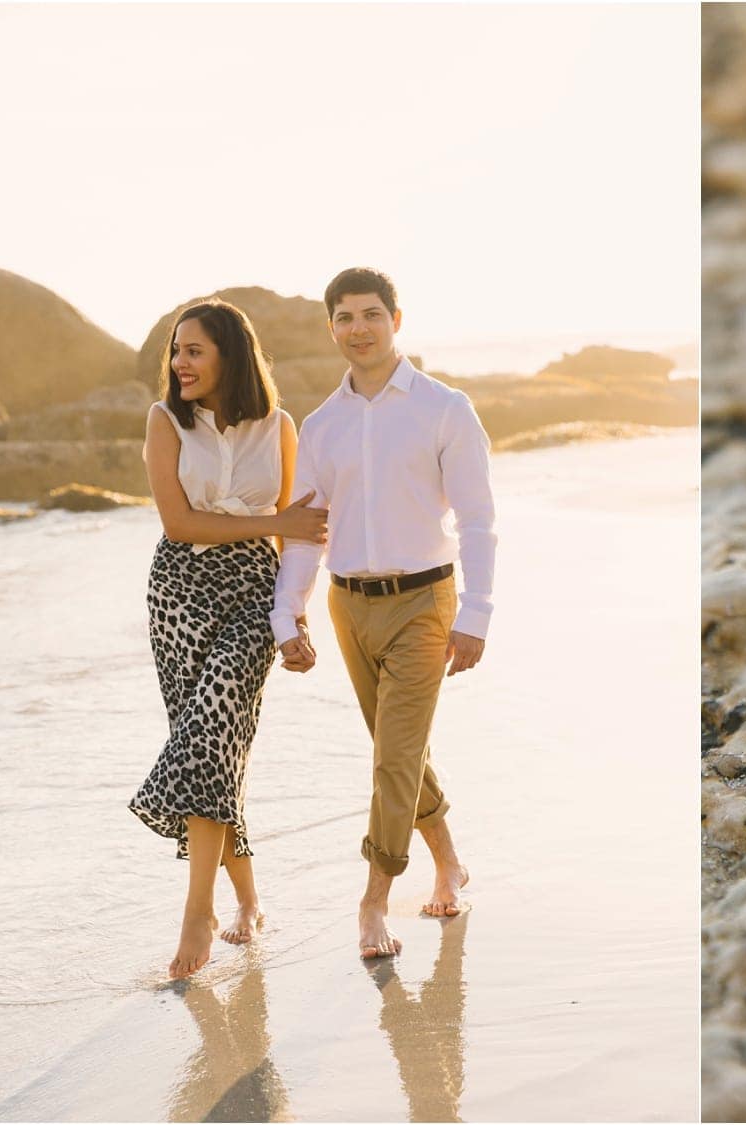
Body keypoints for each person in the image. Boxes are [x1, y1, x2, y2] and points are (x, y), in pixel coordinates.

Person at [272, 266, 495, 959]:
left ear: (397, 319)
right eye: (344, 317)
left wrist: (477, 613)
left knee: (392, 760)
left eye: (371, 314)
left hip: (427, 601)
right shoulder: (321, 424)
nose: (358, 328)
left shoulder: (443, 408)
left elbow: (479, 519)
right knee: (400, 753)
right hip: (349, 608)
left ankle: (372, 901)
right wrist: (291, 614)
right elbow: (309, 530)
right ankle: (449, 861)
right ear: (331, 326)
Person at [131, 299, 329, 980]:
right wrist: (277, 519)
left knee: (211, 733)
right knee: (213, 747)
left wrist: (291, 616)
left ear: (229, 356)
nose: (180, 363)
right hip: (179, 594)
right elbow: (180, 524)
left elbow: (294, 535)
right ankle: (248, 900)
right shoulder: (165, 421)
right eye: (176, 351)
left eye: (194, 351)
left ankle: (198, 911)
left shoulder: (279, 426)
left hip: (252, 592)